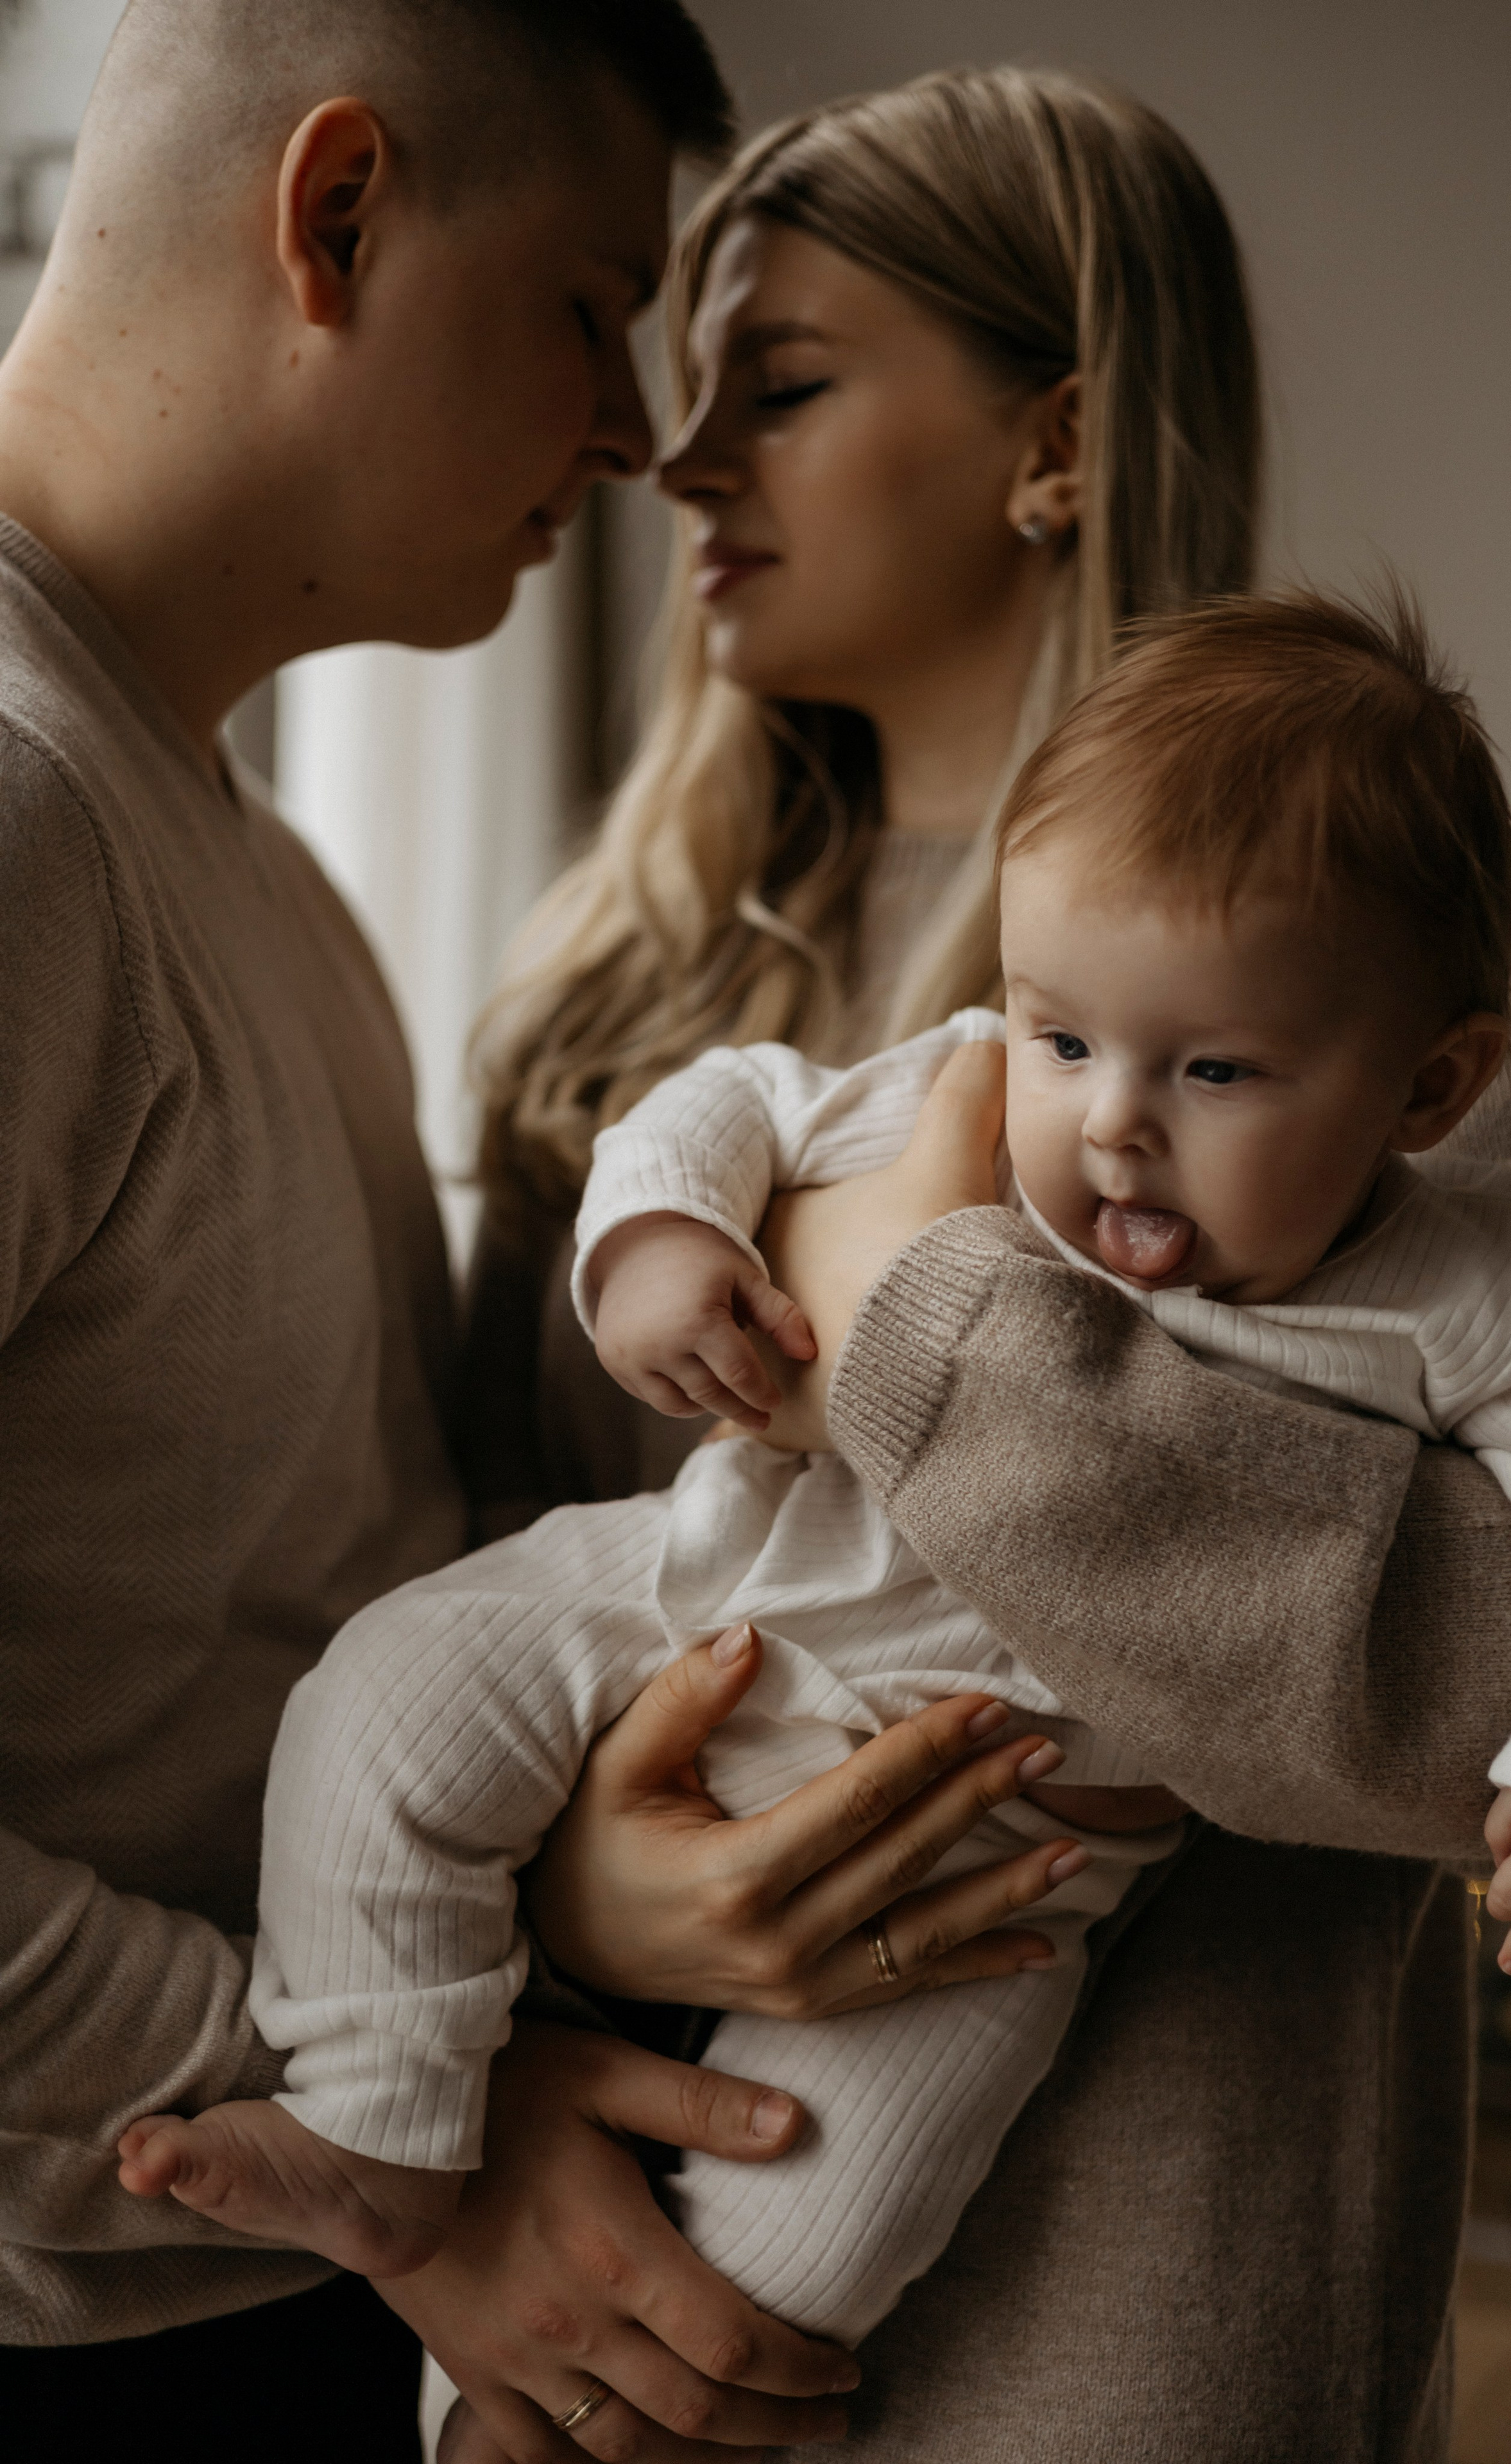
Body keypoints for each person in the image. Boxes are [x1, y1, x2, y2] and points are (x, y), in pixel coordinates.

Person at [455, 67, 1511, 2464]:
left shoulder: (1383, 953)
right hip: (621, 2231)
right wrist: (590, 1902)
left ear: (1059, 442)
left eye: (776, 383)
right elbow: (484, 1578)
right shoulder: (612, 996)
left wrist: (922, 1320)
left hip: (1151, 2309)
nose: (677, 463)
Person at [118, 590, 1511, 2373]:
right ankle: (374, 2120)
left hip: (1009, 1870)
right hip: (710, 1608)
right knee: (385, 1700)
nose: (1111, 1122)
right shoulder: (984, 1101)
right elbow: (736, 1102)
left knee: (821, 2231)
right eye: (1066, 1036)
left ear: (1433, 1086)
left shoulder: (1496, 1279)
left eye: (1214, 1071)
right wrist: (665, 1247)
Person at [1, 9, 1066, 2460]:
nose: (630, 429)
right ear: (337, 215)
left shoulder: (264, 882)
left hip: (269, 2292)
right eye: (594, 307)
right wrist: (384, 2158)